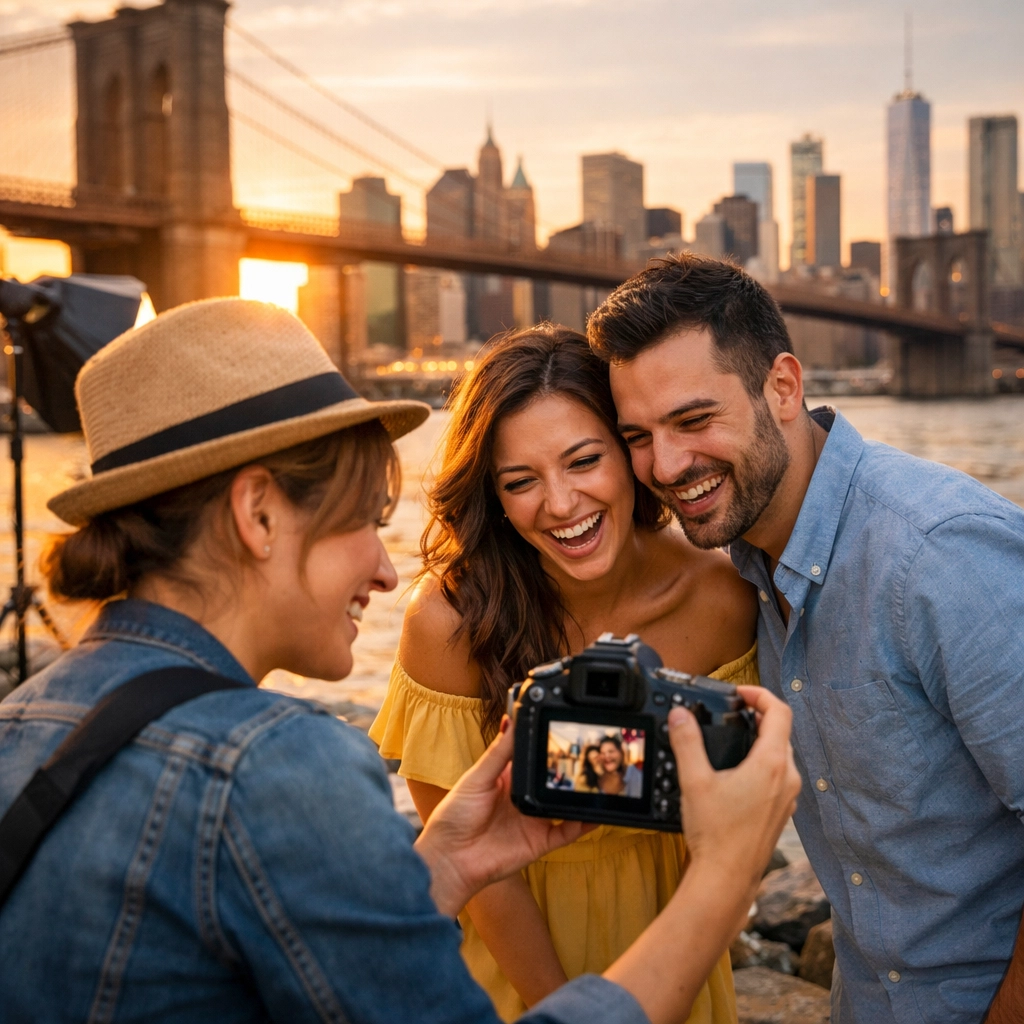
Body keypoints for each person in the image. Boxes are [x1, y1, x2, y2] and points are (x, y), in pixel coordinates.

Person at [0, 297, 802, 1024]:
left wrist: (434, 872)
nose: (387, 571)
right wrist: (725, 875)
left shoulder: (23, 721)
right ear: (257, 514)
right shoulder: (277, 766)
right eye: (363, 520)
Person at [587, 253, 1024, 1024]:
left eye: (694, 419)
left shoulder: (939, 553)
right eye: (638, 435)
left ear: (783, 387)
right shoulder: (742, 571)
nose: (666, 464)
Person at [370, 326, 759, 1022]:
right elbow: (480, 873)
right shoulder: (448, 622)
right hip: (511, 967)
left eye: (584, 461)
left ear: (631, 452)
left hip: (679, 945)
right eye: (520, 481)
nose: (560, 504)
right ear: (491, 494)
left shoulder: (723, 597)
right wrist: (567, 1010)